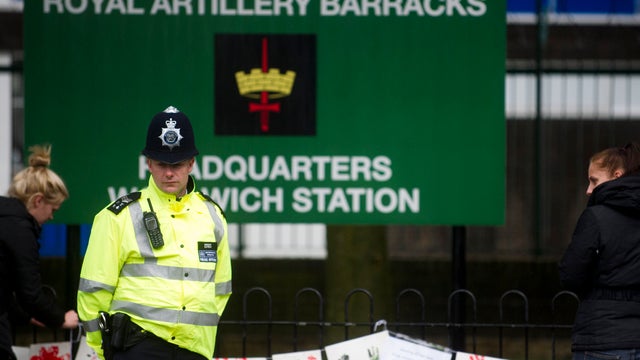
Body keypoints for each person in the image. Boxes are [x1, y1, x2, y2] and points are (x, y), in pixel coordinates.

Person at [77, 106, 232, 360]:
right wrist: (101, 348)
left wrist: (196, 333)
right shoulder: (117, 216)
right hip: (137, 346)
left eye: (177, 163)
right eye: (161, 163)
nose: (169, 172)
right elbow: (94, 290)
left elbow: (221, 288)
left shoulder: (213, 215)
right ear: (148, 163)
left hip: (194, 350)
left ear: (191, 163)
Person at [559, 142, 640, 359]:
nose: (588, 190)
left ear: (617, 175)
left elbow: (571, 273)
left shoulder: (596, 217)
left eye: (594, 181)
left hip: (601, 338)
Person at [0, 144, 79, 360]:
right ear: (38, 200)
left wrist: (27, 317)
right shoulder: (21, 230)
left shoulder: (6, 220)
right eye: (53, 210)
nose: (52, 217)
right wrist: (60, 318)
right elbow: (30, 294)